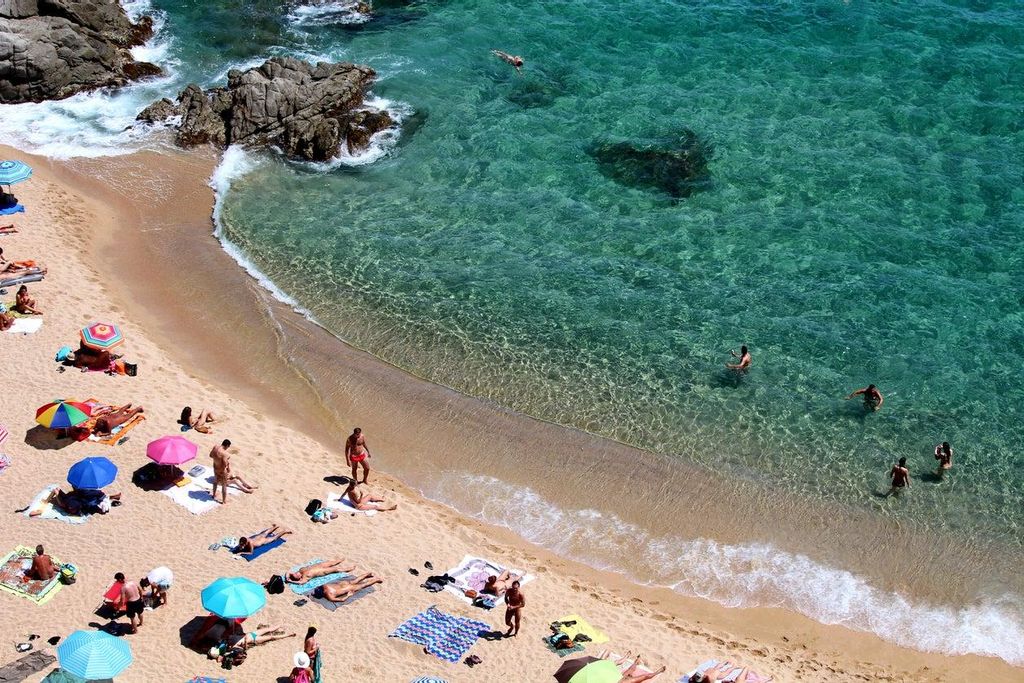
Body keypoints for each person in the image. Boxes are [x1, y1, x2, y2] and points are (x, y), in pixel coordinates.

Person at [211, 439, 258, 504]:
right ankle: (225, 500)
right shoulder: (225, 454)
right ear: (227, 446)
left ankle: (248, 486)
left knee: (237, 477)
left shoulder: (215, 447)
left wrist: (218, 460)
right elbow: (225, 464)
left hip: (216, 469)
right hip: (222, 472)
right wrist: (227, 466)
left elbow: (210, 455)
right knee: (227, 484)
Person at [32, 487, 121, 516]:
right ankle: (113, 496)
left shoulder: (73, 499)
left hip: (70, 505)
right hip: (81, 502)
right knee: (57, 490)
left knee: (56, 491)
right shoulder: (82, 493)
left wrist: (57, 496)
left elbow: (63, 505)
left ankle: (46, 502)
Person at [597, 650, 667, 683]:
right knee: (642, 676)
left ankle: (630, 660)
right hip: (619, 680)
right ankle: (656, 672)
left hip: (617, 679)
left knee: (628, 672)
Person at [313, 573, 383, 603]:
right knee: (356, 580)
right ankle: (368, 574)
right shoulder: (324, 585)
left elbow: (342, 600)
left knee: (364, 585)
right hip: (343, 583)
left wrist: (348, 595)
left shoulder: (329, 596)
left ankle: (376, 580)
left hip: (347, 588)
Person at [286, 559, 356, 585]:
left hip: (319, 565)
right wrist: (291, 581)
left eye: (295, 573)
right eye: (297, 575)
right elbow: (301, 583)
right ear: (299, 578)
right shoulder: (305, 577)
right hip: (322, 571)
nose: (296, 573)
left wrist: (287, 578)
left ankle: (341, 560)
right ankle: (349, 569)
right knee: (336, 569)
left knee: (331, 563)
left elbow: (288, 572)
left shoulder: (300, 570)